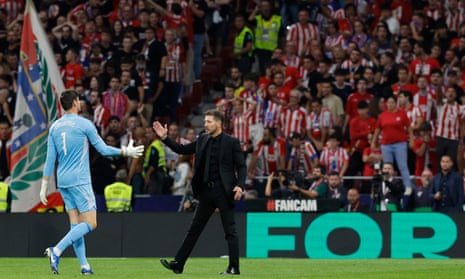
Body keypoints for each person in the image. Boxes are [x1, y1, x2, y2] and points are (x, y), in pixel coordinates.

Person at [40, 90, 144, 275]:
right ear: (74, 103)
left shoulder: (55, 127)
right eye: (78, 100)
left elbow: (50, 159)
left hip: (63, 181)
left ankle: (84, 266)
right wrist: (125, 152)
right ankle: (56, 250)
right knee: (91, 223)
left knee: (76, 225)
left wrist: (44, 186)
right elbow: (103, 150)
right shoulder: (83, 124)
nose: (80, 102)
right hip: (79, 180)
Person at [153, 109, 246, 275]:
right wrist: (165, 138)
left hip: (224, 192)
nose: (205, 125)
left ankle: (234, 267)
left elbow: (241, 166)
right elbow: (181, 150)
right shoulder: (202, 140)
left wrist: (240, 185)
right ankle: (178, 264)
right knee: (194, 229)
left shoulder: (231, 142)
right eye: (205, 122)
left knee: (230, 231)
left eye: (209, 122)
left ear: (218, 123)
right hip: (206, 193)